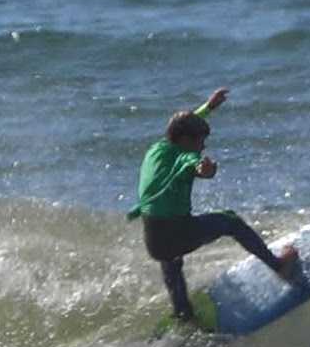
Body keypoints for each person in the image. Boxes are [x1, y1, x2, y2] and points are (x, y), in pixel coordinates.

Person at [128, 86, 298, 325]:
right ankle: (278, 265)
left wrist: (208, 108)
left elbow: (179, 131)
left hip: (154, 241)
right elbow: (191, 163)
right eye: (201, 141)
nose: (203, 147)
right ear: (187, 140)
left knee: (172, 261)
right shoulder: (187, 156)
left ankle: (183, 314)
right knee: (230, 221)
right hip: (178, 233)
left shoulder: (157, 148)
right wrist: (204, 170)